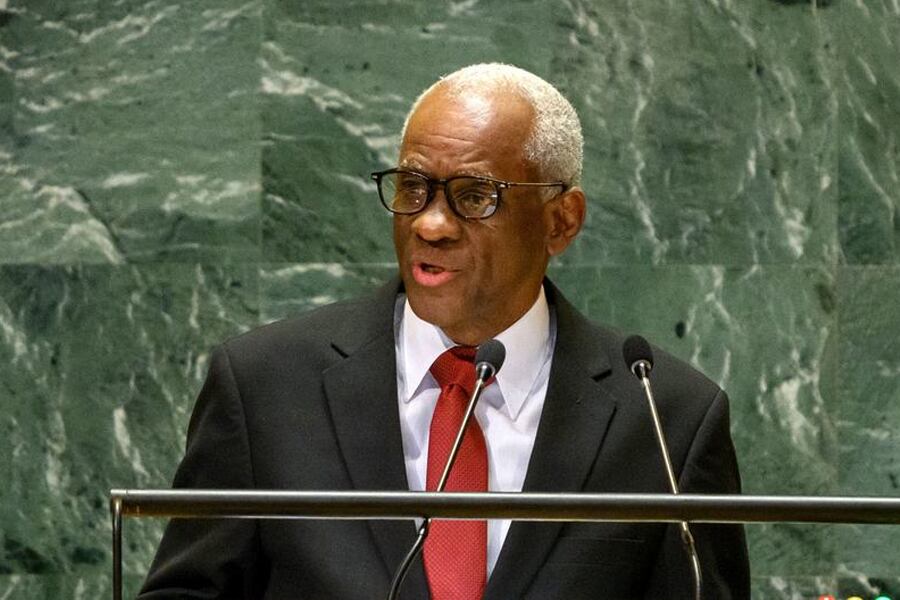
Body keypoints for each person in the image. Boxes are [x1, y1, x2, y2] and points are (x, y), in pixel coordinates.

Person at [139, 63, 750, 599]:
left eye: (474, 196)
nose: (431, 225)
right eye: (413, 188)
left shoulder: (667, 420)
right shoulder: (266, 387)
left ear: (561, 221)